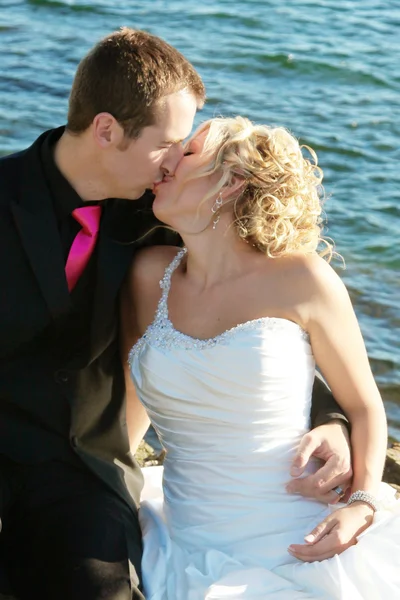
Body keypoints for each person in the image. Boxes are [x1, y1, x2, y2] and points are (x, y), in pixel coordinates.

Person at [0, 27, 349, 599]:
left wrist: (329, 418)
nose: (176, 163)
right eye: (169, 143)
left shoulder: (161, 213)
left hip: (81, 471)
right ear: (107, 131)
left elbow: (256, 311)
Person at [122, 116, 400, 599]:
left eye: (187, 155)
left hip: (300, 530)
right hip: (185, 537)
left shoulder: (304, 279)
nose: (167, 163)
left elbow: (364, 407)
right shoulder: (148, 277)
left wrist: (360, 504)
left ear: (231, 182)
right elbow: (130, 413)